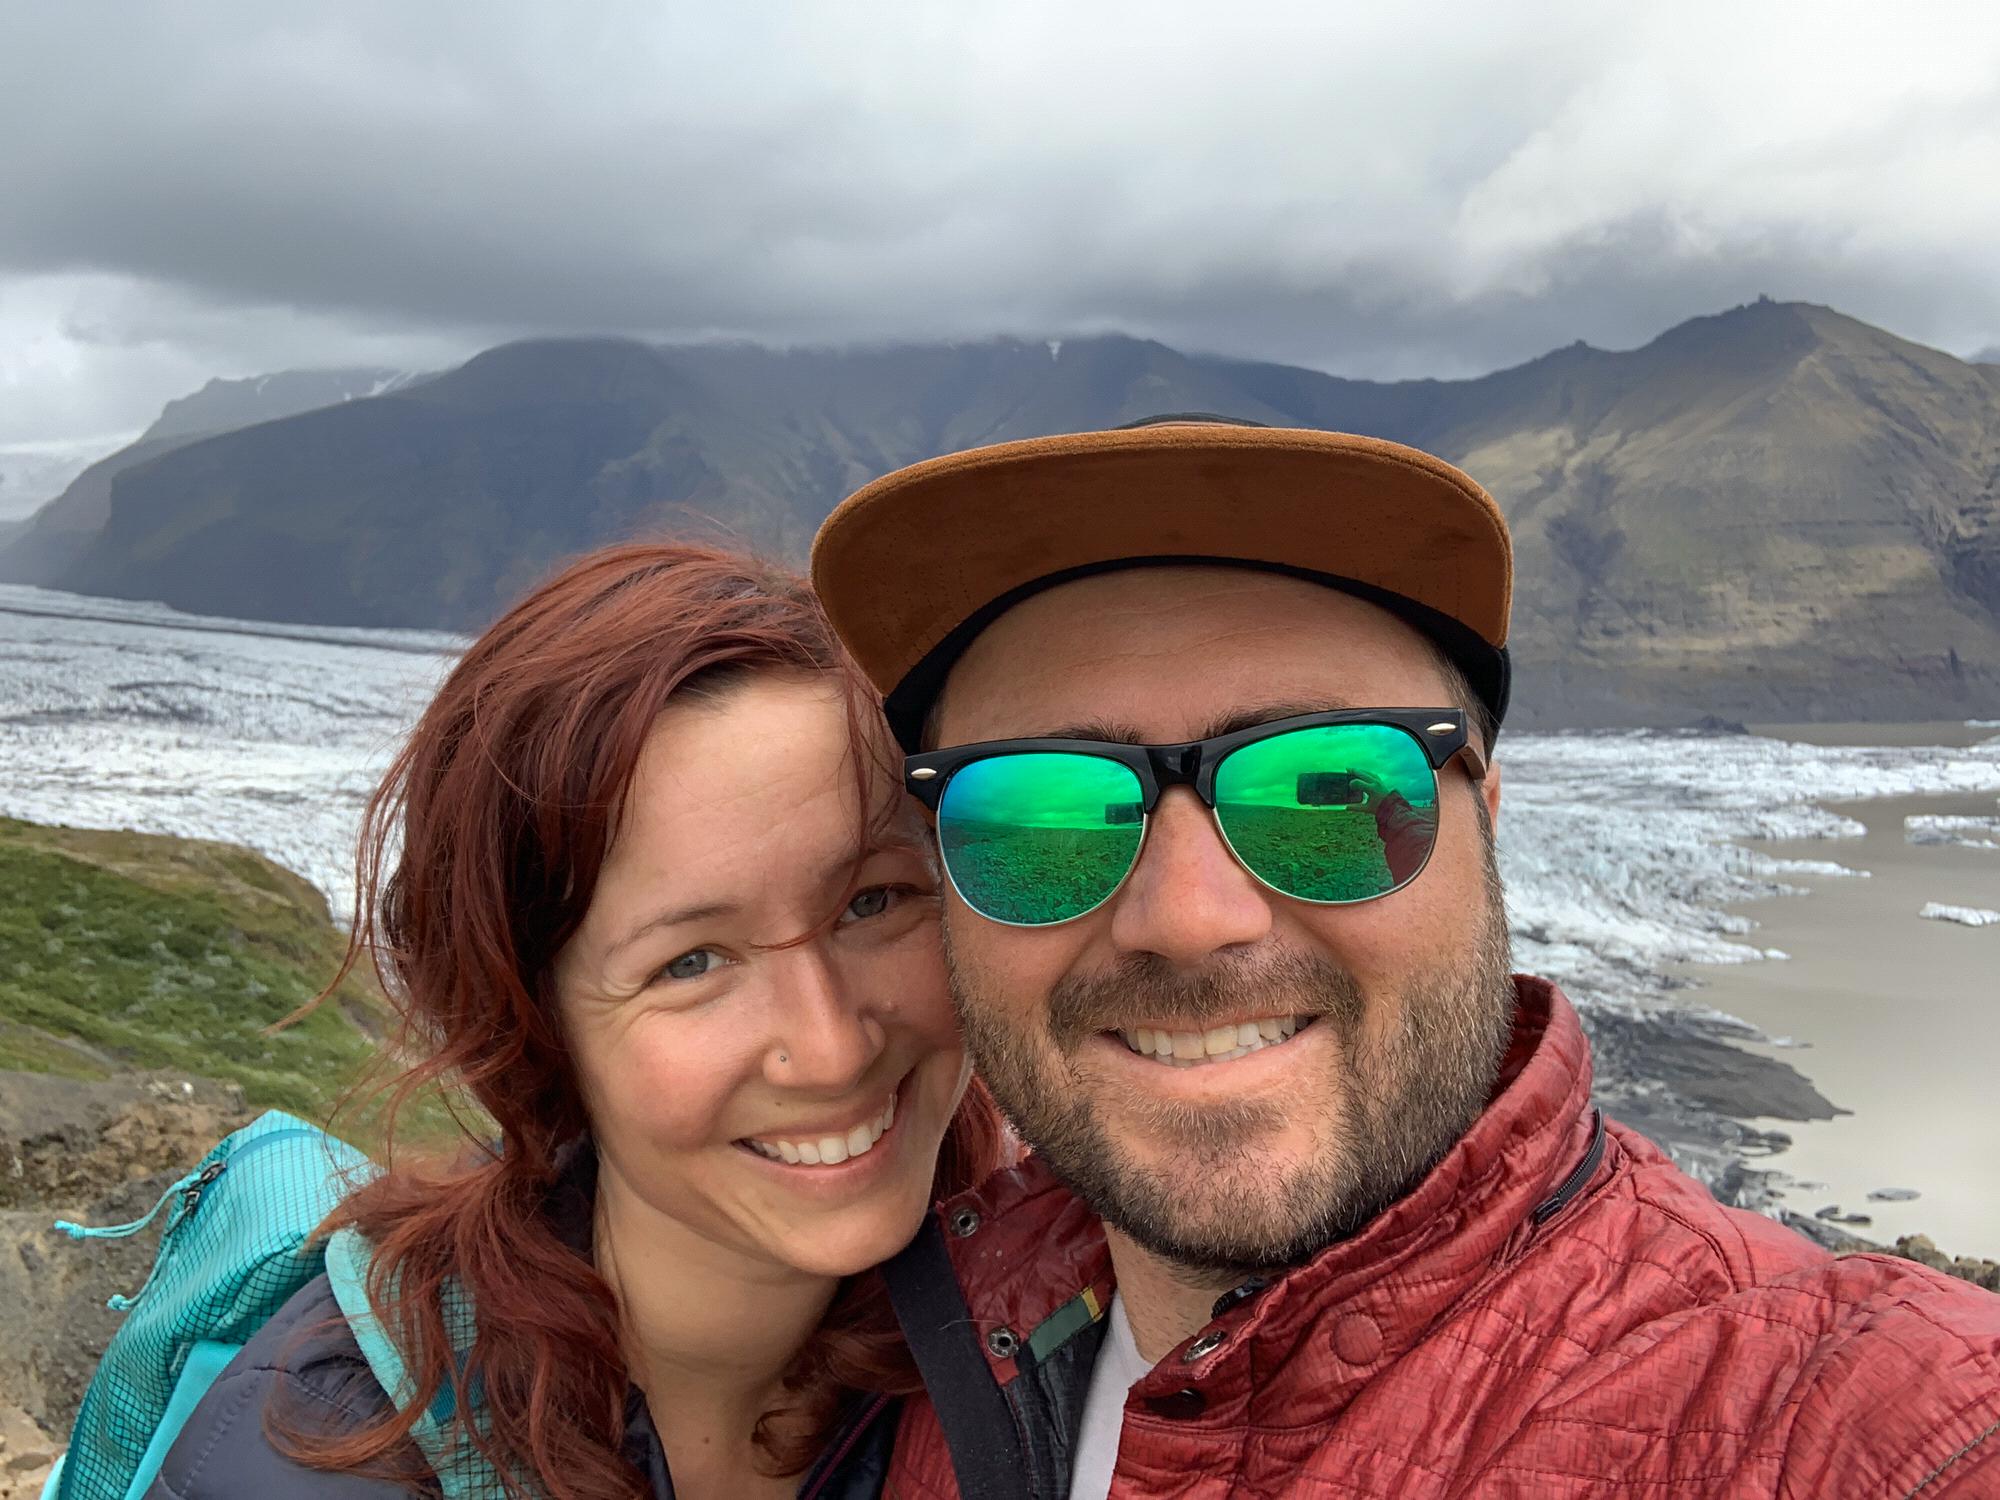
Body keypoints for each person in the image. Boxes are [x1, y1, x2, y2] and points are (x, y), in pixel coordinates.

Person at [810, 418, 2000, 1498]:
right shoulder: (882, 1351)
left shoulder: (1836, 1421)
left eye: (1327, 796)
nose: (1187, 916)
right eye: (1036, 819)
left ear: (1485, 815)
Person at [147, 542, 1003, 1499]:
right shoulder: (325, 1459)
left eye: (873, 903)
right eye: (691, 963)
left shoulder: (1055, 1302)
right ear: (536, 1026)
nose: (834, 1046)